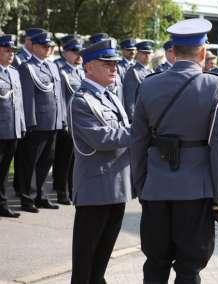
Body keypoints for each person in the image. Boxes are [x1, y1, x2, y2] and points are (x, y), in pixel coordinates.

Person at [131, 18, 218, 284]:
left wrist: (142, 184)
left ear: (173, 51)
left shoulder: (149, 84)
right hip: (195, 192)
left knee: (155, 263)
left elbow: (138, 141)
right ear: (202, 53)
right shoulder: (216, 86)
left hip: (155, 188)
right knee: (189, 269)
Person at [69, 38, 135, 284]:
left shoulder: (110, 96)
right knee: (85, 263)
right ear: (88, 67)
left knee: (101, 260)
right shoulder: (82, 100)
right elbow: (102, 138)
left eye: (115, 63)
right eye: (106, 63)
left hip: (117, 187)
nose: (114, 67)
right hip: (95, 190)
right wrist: (141, 131)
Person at [18, 31, 65, 213]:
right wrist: (30, 123)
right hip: (37, 124)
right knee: (30, 162)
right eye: (45, 46)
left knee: (47, 161)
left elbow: (58, 96)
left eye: (50, 46)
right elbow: (28, 98)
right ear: (35, 47)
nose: (49, 49)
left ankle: (41, 196)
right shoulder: (27, 67)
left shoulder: (53, 67)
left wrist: (60, 119)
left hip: (52, 122)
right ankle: (27, 198)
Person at [12, 28, 45, 199]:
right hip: (22, 113)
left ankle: (21, 186)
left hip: (30, 115)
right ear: (29, 41)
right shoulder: (18, 59)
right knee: (23, 156)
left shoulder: (37, 60)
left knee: (27, 156)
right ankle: (20, 186)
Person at [52, 37, 85, 205]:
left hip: (79, 121)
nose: (78, 55)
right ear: (65, 52)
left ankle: (73, 189)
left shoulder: (80, 70)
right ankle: (61, 191)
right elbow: (60, 98)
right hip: (66, 121)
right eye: (74, 52)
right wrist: (64, 121)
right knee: (63, 159)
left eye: (80, 52)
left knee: (75, 160)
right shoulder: (60, 69)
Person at [0, 35, 26, 218]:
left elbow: (19, 103)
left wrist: (22, 125)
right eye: (7, 50)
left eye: (13, 51)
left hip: (13, 129)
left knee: (4, 170)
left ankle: (1, 204)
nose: (11, 54)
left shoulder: (14, 73)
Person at [123, 40, 154, 122]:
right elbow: (130, 99)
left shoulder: (152, 71)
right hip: (139, 116)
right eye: (144, 53)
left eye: (149, 53)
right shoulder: (133, 71)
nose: (147, 55)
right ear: (138, 54)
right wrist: (133, 120)